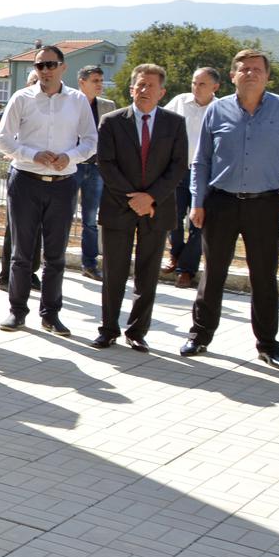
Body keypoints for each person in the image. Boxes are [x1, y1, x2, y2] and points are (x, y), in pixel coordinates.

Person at [181, 49, 279, 369]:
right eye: (244, 69)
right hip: (221, 204)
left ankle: (268, 345)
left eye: (257, 69)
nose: (250, 73)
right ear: (232, 76)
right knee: (213, 273)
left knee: (264, 277)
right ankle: (200, 335)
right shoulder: (217, 110)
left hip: (266, 205)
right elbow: (201, 161)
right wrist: (197, 202)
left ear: (267, 76)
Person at [0, 44, 98, 336]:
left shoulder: (77, 101)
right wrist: (32, 154)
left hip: (63, 184)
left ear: (63, 67)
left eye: (50, 65)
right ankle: (17, 311)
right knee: (21, 253)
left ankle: (51, 315)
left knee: (55, 256)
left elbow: (91, 140)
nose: (45, 70)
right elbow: (3, 139)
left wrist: (71, 157)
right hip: (25, 181)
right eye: (39, 65)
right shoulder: (21, 98)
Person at [91, 64, 186, 351]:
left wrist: (151, 198)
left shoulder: (174, 123)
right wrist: (134, 199)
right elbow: (106, 163)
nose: (144, 90)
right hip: (119, 206)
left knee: (148, 273)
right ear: (131, 88)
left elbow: (178, 166)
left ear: (162, 92)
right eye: (140, 85)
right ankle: (108, 329)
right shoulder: (111, 121)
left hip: (157, 208)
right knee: (114, 272)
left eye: (150, 86)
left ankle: (137, 331)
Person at [163, 67, 221, 288]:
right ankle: (176, 255)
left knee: (199, 222)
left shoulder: (221, 109)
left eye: (202, 84)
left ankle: (186, 270)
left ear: (215, 87)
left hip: (206, 174)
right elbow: (162, 125)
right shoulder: (179, 101)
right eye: (194, 83)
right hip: (177, 170)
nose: (196, 87)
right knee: (172, 218)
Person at [0, 70, 41, 293]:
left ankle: (30, 273)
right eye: (34, 80)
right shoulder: (19, 103)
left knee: (38, 228)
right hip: (21, 173)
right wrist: (10, 151)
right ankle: (6, 276)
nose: (39, 83)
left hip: (44, 176)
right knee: (16, 227)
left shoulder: (53, 107)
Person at [75, 65, 108, 281]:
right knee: (61, 216)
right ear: (82, 82)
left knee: (90, 219)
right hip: (72, 167)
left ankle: (89, 264)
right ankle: (53, 260)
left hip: (96, 168)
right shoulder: (70, 103)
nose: (99, 85)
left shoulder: (107, 106)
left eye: (101, 80)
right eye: (95, 80)